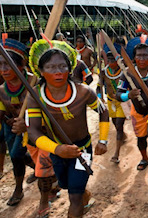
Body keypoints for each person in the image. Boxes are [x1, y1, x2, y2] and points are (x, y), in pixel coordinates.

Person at [27, 39, 109, 217]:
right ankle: (82, 192)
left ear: (70, 68)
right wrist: (58, 149)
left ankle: (80, 195)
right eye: (51, 67)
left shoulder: (83, 92)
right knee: (64, 184)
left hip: (82, 151)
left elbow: (103, 111)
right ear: (41, 71)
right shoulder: (35, 96)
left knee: (74, 197)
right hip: (57, 151)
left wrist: (103, 140)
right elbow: (32, 132)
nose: (58, 72)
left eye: (62, 66)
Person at [116, 35, 148, 185]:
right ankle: (144, 158)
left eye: (145, 55)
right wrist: (127, 95)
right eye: (138, 55)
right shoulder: (128, 73)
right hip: (139, 112)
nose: (142, 59)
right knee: (141, 139)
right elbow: (117, 95)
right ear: (134, 57)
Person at [0, 38, 37, 206]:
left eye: (7, 64)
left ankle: (18, 189)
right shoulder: (1, 89)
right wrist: (7, 119)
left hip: (32, 127)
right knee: (16, 156)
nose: (3, 70)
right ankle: (36, 169)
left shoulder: (34, 83)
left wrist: (26, 123)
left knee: (15, 155)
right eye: (0, 65)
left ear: (21, 65)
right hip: (11, 127)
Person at [98, 43, 127, 163]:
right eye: (108, 59)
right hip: (110, 102)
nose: (110, 61)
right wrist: (100, 98)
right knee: (116, 124)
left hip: (122, 102)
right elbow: (98, 87)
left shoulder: (125, 72)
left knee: (119, 126)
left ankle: (116, 154)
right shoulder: (104, 72)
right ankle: (122, 136)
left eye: (112, 59)